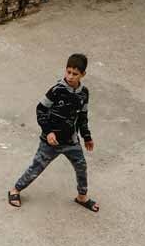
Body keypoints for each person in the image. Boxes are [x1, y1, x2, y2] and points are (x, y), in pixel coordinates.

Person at [7, 52, 97, 212]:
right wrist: (48, 132)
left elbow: (83, 116)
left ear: (83, 74)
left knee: (81, 167)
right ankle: (15, 190)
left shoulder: (84, 93)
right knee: (37, 167)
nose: (70, 76)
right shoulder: (57, 90)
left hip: (71, 141)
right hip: (51, 142)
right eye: (68, 72)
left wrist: (87, 137)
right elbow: (40, 109)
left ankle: (82, 196)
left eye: (75, 74)